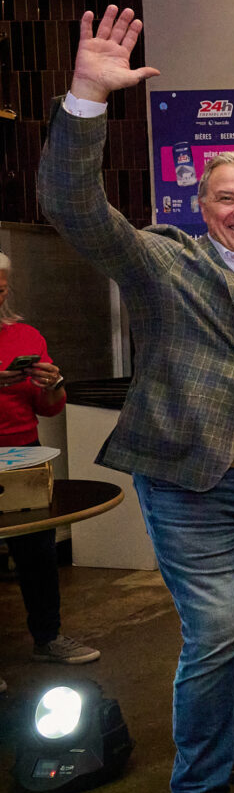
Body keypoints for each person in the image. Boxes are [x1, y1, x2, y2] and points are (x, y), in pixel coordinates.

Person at [39, 6, 234, 793]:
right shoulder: (163, 260)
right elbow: (75, 210)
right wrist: (87, 97)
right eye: (226, 197)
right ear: (202, 205)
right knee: (219, 627)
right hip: (189, 480)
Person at [0, 252, 98, 687]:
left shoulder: (25, 335)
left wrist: (53, 384)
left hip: (24, 452)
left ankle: (49, 637)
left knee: (37, 551)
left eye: (2, 286)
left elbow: (48, 407)